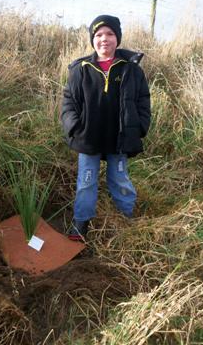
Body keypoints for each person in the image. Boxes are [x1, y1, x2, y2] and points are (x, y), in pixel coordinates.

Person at [61, 15, 151, 241]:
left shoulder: (131, 70)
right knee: (86, 181)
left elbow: (143, 100)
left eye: (110, 34)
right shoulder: (80, 69)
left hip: (119, 137)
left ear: (117, 38)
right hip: (88, 137)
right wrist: (74, 126)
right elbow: (68, 101)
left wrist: (139, 126)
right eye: (99, 35)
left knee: (119, 179)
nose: (104, 39)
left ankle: (126, 219)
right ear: (93, 39)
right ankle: (81, 225)